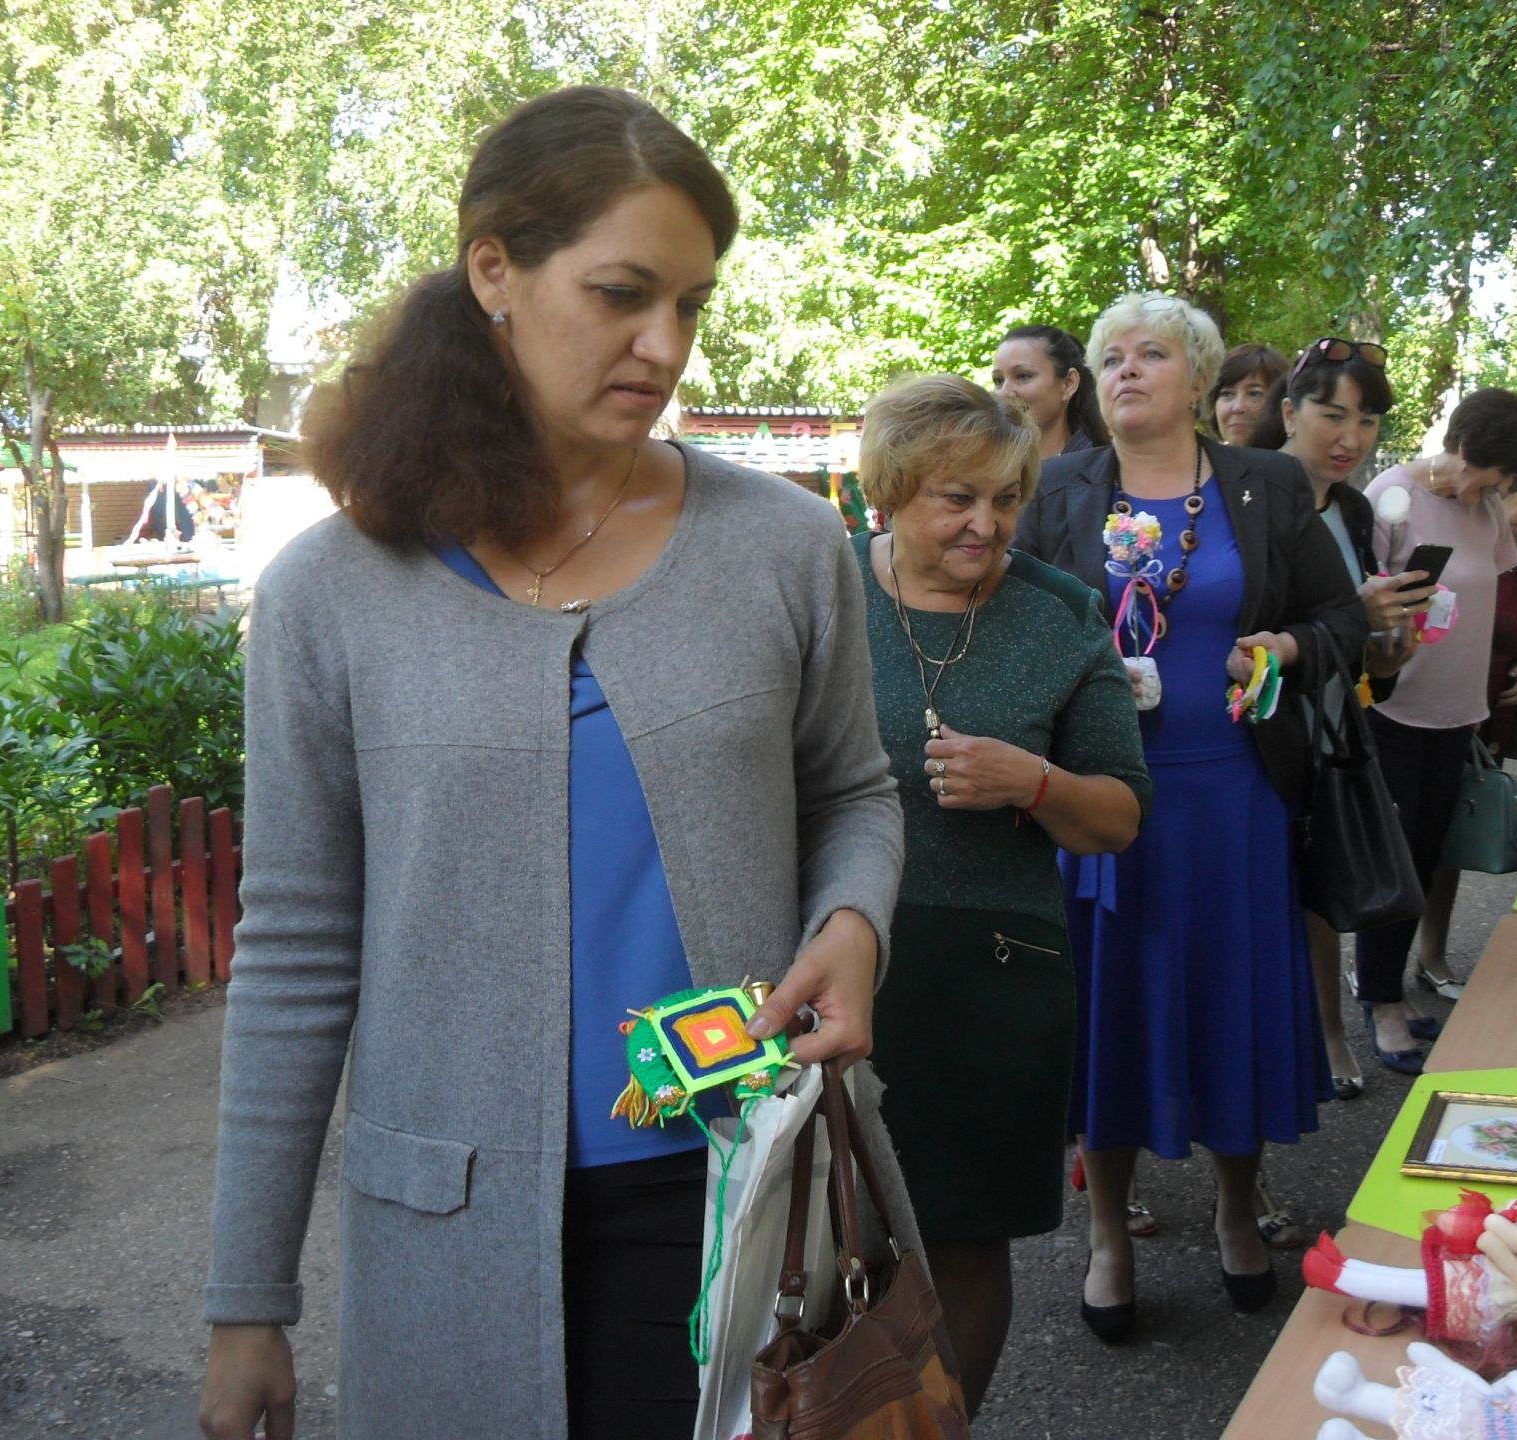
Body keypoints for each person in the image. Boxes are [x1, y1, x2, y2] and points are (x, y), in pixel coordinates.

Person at [196, 88, 908, 1440]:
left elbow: (853, 794)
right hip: (445, 1226)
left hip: (734, 1200)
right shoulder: (332, 595)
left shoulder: (785, 549)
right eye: (624, 293)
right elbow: (294, 946)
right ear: (493, 271)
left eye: (692, 304)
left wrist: (855, 922)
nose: (665, 346)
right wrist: (250, 1302)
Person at [1015, 291, 1366, 1335]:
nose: (1124, 369)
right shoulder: (1059, 490)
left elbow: (1338, 614)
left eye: (1150, 354)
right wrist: (1079, 682)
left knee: (1226, 1004)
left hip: (1231, 797)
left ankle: (1234, 1211)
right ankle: (1111, 1235)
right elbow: (1018, 627)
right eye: (1109, 355)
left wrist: (1282, 650)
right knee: (1109, 1012)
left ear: (1200, 381)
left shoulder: (1265, 486)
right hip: (1105, 800)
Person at [855, 374, 1149, 1412]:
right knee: (827, 1235)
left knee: (966, 1248)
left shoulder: (1061, 611)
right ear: (890, 493)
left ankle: (940, 1431)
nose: (987, 524)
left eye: (1005, 499)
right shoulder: (824, 592)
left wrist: (1034, 782)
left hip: (994, 977)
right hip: (838, 964)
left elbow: (1119, 816)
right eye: (956, 498)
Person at [1249, 338, 1433, 1101]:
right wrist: (1342, 618)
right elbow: (1248, 622)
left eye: (1366, 422)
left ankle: (1327, 1033)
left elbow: (1359, 657)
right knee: (1260, 903)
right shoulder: (1247, 496)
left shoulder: (1356, 512)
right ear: (1290, 413)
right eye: (1332, 414)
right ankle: (1262, 1058)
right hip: (1257, 732)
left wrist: (1385, 652)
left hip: (1333, 732)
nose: (1350, 438)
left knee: (1321, 889)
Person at [1354, 388, 1517, 1072]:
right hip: (1395, 709)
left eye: (1502, 484)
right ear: (1464, 448)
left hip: (1461, 712)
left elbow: (1504, 599)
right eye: (1490, 475)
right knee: (1397, 861)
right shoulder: (1392, 493)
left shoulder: (1489, 511)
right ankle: (1380, 1006)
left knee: (1430, 855)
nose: (1492, 491)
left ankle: (1398, 989)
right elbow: (1357, 599)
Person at [1414, 444, 1517, 991]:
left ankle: (1433, 956)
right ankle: (1377, 974)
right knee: (1413, 843)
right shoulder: (1460, 536)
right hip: (1430, 710)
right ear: (1504, 483)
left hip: (1489, 720)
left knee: (1454, 840)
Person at [992, 324, 1109, 459]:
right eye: (999, 381)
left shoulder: (1107, 470)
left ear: (1068, 384)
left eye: (1023, 376)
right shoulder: (984, 470)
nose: (1004, 392)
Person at [1207, 342, 1288, 447]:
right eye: (1227, 394)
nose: (1238, 407)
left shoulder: (1298, 462)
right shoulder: (1205, 461)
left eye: (1254, 394)